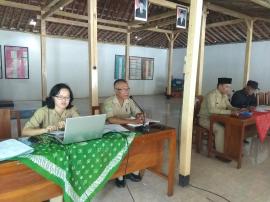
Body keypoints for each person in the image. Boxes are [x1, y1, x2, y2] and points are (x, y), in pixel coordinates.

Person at [102, 79, 144, 187]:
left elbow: (137, 111)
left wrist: (139, 115)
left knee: (139, 142)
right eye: (123, 89)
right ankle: (119, 174)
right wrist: (132, 121)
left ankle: (133, 170)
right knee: (119, 146)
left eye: (127, 89)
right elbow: (111, 120)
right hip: (112, 131)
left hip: (127, 129)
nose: (126, 92)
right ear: (116, 91)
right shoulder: (108, 102)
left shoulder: (129, 100)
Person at [198, 78, 239, 158]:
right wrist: (230, 112)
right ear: (220, 86)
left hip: (219, 119)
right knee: (220, 129)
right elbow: (212, 110)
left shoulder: (224, 95)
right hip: (205, 119)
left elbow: (229, 106)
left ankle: (229, 150)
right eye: (227, 87)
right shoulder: (211, 95)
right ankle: (220, 154)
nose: (228, 89)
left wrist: (237, 109)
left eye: (229, 87)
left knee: (232, 127)